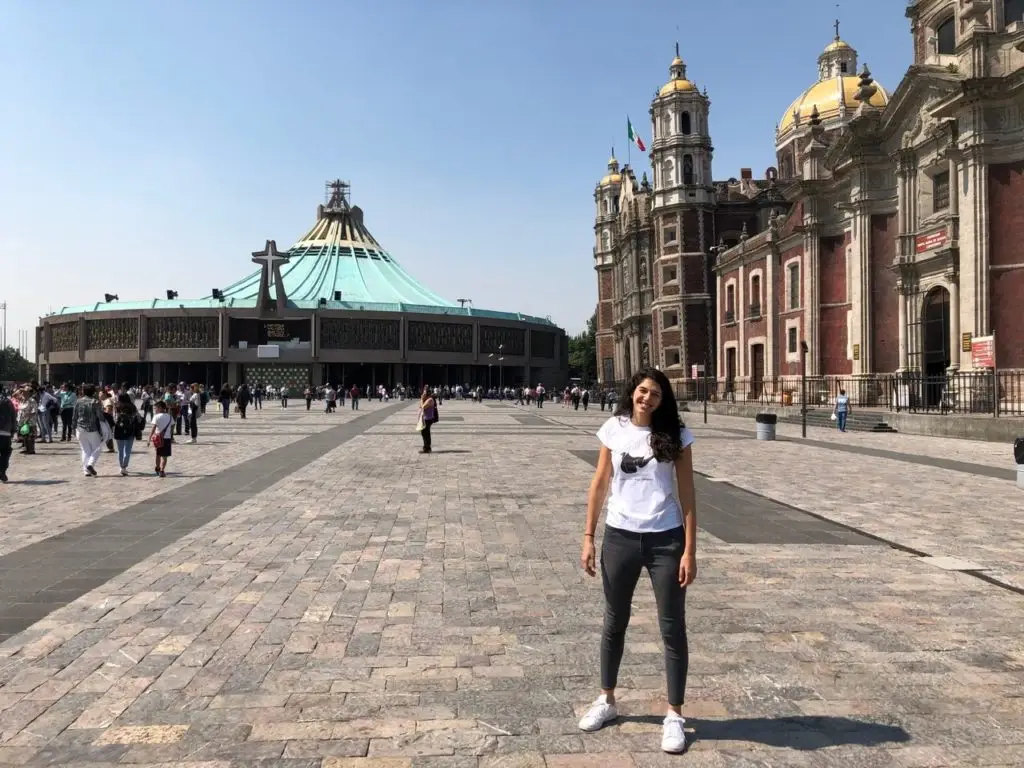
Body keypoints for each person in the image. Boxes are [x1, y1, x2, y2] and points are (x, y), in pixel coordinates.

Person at [578, 367, 698, 754]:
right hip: (620, 536)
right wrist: (588, 537)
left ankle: (675, 715)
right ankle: (607, 700)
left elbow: (689, 496)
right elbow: (599, 483)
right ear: (633, 392)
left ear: (664, 400)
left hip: (665, 539)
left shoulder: (677, 435)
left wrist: (690, 550)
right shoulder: (613, 428)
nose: (647, 398)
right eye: (643, 391)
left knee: (671, 627)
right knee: (614, 622)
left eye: (656, 394)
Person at [73, 384, 107, 476]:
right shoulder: (95, 402)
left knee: (85, 450)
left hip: (80, 429)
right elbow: (100, 416)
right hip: (92, 429)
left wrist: (73, 428)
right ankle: (90, 464)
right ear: (94, 392)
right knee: (97, 448)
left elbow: (74, 417)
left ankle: (85, 470)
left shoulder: (78, 401)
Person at [113, 393, 143, 476]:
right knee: (128, 450)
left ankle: (121, 467)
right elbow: (139, 418)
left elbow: (115, 418)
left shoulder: (117, 406)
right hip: (130, 430)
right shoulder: (132, 406)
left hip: (119, 429)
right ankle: (124, 467)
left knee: (120, 450)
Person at [149, 400, 174, 478]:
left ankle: (158, 467)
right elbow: (173, 426)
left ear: (160, 408)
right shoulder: (170, 416)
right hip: (167, 438)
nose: (155, 410)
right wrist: (170, 434)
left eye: (156, 408)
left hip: (158, 438)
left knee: (158, 455)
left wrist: (149, 438)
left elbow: (153, 428)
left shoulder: (156, 416)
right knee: (165, 456)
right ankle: (162, 470)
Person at [0, 387, 17, 483]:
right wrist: (13, 430)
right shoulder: (8, 402)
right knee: (5, 453)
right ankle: (2, 469)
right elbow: (13, 417)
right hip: (6, 431)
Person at [418, 386, 437, 454]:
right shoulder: (427, 399)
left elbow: (423, 407)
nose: (423, 393)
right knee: (425, 433)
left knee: (425, 433)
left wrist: (421, 399)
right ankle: (426, 447)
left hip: (428, 419)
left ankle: (427, 448)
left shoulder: (430, 400)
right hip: (425, 418)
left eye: (424, 392)